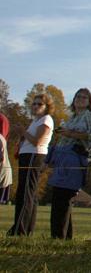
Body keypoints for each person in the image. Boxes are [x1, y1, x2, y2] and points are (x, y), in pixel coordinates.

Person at [46, 88, 91, 239]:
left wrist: (71, 134)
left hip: (75, 159)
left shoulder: (88, 116)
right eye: (78, 96)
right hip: (62, 159)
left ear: (89, 102)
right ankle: (64, 236)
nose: (80, 99)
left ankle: (58, 237)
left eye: (84, 97)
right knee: (58, 197)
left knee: (64, 197)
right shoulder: (71, 117)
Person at [7, 93, 54, 236]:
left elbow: (37, 141)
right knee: (27, 192)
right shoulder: (35, 121)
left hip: (34, 156)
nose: (35, 106)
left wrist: (23, 132)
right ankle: (26, 229)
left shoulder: (46, 120)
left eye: (39, 104)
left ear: (47, 107)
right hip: (26, 155)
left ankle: (20, 229)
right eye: (34, 104)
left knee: (26, 192)